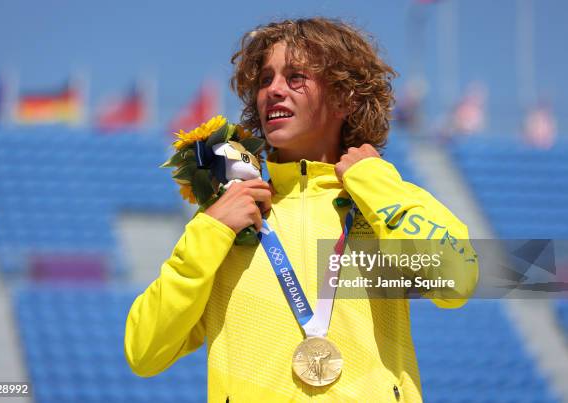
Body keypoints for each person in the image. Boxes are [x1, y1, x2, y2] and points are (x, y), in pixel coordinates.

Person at [125, 17, 478, 402]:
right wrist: (208, 230)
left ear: (345, 97)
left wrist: (373, 182)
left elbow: (456, 280)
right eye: (265, 80)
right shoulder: (229, 219)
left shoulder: (382, 201)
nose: (273, 90)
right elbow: (144, 351)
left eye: (295, 77)